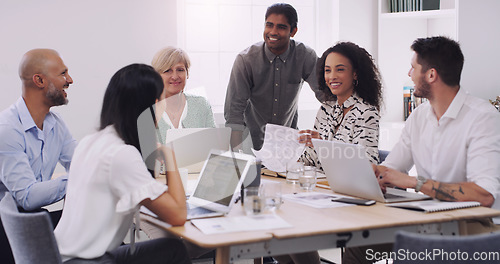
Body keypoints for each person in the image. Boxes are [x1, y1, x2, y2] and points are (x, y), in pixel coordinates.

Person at [345, 36, 500, 264]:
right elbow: (393, 167)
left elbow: (485, 195)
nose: (409, 73)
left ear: (431, 75)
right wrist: (375, 173)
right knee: (357, 246)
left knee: (410, 251)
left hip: (471, 228)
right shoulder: (419, 116)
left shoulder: (482, 118)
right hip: (426, 219)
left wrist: (415, 182)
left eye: (413, 67)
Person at [54, 64, 191, 264]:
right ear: (151, 105)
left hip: (62, 255)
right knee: (174, 249)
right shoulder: (121, 154)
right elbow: (178, 215)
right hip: (86, 261)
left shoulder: (91, 142)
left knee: (172, 248)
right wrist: (170, 158)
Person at [0, 49, 76, 264]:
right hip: (9, 231)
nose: (70, 80)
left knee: (97, 226)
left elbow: (80, 161)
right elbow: (28, 197)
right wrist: (76, 179)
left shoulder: (55, 123)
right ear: (39, 80)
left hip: (30, 218)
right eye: (63, 73)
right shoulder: (7, 129)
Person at [224, 3, 323, 152]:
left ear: (293, 31)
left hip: (288, 145)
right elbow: (234, 114)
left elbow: (326, 95)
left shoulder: (305, 56)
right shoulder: (246, 60)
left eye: (281, 27)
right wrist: (237, 157)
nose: (273, 32)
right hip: (251, 145)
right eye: (269, 25)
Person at [298, 42, 383, 171]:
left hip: (350, 190)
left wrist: (324, 147)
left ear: (355, 73)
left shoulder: (366, 113)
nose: (332, 76)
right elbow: (310, 161)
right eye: (328, 70)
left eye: (340, 69)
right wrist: (290, 152)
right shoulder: (326, 109)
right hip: (322, 187)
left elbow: (366, 167)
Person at [151, 46, 215, 144]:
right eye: (168, 70)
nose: (175, 76)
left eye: (180, 70)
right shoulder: (148, 110)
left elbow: (215, 146)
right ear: (157, 75)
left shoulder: (201, 105)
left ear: (187, 73)